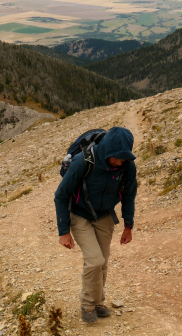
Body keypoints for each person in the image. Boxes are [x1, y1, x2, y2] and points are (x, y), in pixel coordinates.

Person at [54, 127, 137, 323]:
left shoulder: (127, 166)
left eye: (123, 158)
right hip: (79, 214)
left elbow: (129, 195)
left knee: (103, 260)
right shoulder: (83, 162)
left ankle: (99, 301)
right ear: (107, 150)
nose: (120, 162)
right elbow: (61, 195)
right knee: (94, 260)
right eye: (116, 158)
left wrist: (128, 225)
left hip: (104, 215)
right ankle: (88, 305)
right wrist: (64, 231)